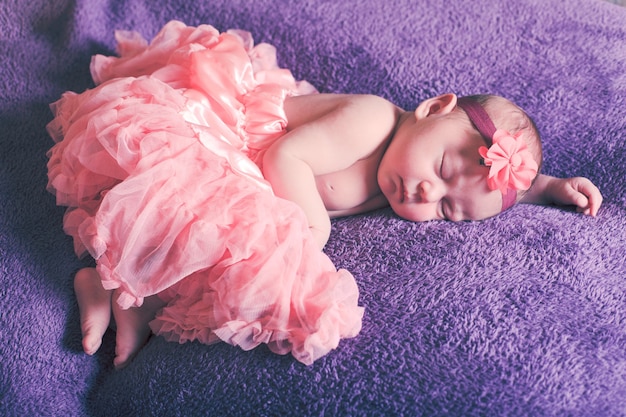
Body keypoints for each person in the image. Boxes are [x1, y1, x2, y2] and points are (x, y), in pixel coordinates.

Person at [50, 21, 602, 368]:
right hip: (223, 142)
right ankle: (106, 279)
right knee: (191, 213)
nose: (426, 193)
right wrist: (313, 230)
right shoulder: (372, 120)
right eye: (439, 168)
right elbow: (283, 158)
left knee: (227, 252)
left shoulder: (406, 181)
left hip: (252, 186)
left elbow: (488, 189)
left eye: (448, 210)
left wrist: (545, 190)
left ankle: (129, 294)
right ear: (433, 107)